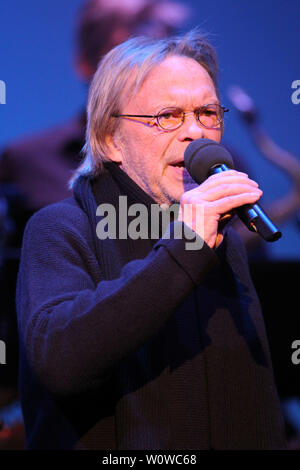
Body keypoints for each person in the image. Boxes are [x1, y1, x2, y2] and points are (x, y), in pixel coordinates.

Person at [16, 30, 286, 450]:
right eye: (168, 116)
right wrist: (185, 250)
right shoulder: (60, 228)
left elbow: (253, 393)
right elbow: (61, 361)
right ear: (110, 139)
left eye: (208, 113)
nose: (195, 132)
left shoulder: (219, 237)